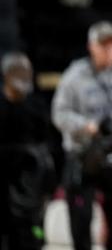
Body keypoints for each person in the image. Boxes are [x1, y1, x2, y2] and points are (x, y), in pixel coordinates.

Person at [52, 21, 112, 250]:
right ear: (91, 46)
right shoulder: (74, 77)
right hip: (83, 155)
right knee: (80, 216)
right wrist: (87, 126)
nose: (109, 49)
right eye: (103, 44)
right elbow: (59, 113)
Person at [0, 52, 53, 250]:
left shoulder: (37, 107)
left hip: (28, 186)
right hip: (4, 182)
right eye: (17, 72)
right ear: (6, 75)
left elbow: (46, 147)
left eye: (26, 72)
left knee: (28, 236)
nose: (23, 77)